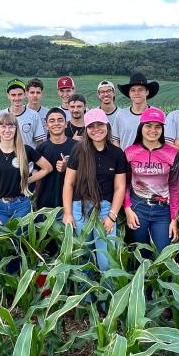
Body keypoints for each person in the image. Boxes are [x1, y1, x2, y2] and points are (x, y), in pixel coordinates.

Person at [62, 108, 127, 272]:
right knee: (84, 258)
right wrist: (68, 213)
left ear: (107, 126)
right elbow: (68, 183)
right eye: (91, 126)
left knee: (106, 261)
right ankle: (86, 290)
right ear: (86, 129)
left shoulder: (117, 153)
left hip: (105, 209)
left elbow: (120, 187)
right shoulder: (78, 150)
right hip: (80, 208)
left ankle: (107, 289)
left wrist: (112, 216)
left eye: (100, 125)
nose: (96, 129)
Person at [122, 108, 179, 256]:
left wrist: (174, 219)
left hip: (163, 210)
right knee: (140, 254)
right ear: (141, 127)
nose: (153, 130)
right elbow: (124, 183)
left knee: (163, 254)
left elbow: (175, 187)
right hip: (138, 208)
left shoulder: (171, 154)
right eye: (148, 126)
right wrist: (127, 208)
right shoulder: (130, 152)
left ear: (162, 129)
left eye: (158, 127)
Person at [0, 112, 53, 225]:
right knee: (1, 236)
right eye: (3, 126)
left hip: (22, 206)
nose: (7, 130)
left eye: (11, 126)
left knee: (20, 236)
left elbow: (47, 168)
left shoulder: (26, 150)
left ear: (16, 129)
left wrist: (28, 180)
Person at [35, 108, 77, 210]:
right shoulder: (41, 148)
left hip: (71, 203)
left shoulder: (77, 147)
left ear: (66, 124)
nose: (56, 123)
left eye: (60, 120)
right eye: (52, 121)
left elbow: (84, 173)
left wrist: (68, 167)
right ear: (46, 125)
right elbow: (37, 176)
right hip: (45, 203)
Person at [0, 78, 47, 148]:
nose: (17, 98)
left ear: (25, 94)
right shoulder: (0, 114)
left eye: (20, 94)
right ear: (8, 96)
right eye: (13, 95)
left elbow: (40, 143)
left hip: (28, 154)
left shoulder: (34, 115)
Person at [116, 73, 159, 149]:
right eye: (133, 90)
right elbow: (116, 141)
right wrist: (120, 155)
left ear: (147, 92)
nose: (136, 93)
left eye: (140, 89)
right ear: (129, 93)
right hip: (125, 156)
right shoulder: (121, 115)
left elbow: (163, 141)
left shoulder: (157, 114)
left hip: (151, 157)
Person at [94, 80, 121, 145]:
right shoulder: (93, 114)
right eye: (102, 92)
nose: (106, 94)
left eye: (109, 91)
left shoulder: (122, 114)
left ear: (114, 93)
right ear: (98, 94)